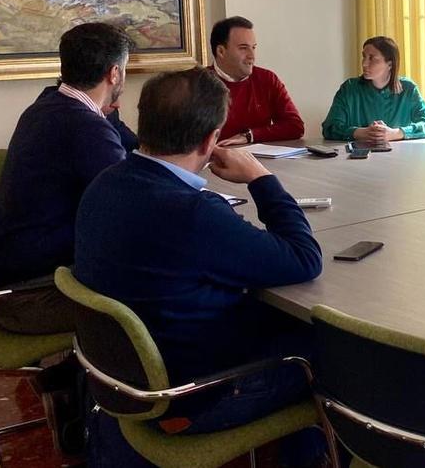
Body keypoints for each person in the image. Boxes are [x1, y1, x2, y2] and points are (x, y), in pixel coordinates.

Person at [75, 67, 324, 467]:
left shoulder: (106, 182)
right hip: (192, 396)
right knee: (328, 345)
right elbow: (304, 259)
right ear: (211, 140)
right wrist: (262, 177)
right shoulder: (191, 212)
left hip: (125, 379)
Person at [0, 22, 135, 335]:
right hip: (32, 294)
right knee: (159, 280)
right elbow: (133, 200)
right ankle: (98, 374)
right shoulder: (84, 127)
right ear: (115, 73)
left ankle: (81, 371)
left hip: (12, 269)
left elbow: (132, 151)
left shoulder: (49, 104)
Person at [208, 16, 305, 146]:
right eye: (243, 48)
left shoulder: (267, 79)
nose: (252, 56)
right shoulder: (195, 83)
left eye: (253, 47)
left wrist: (250, 136)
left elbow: (295, 127)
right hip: (210, 162)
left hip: (260, 162)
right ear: (221, 51)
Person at [321, 36, 425, 142]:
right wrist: (360, 132)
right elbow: (329, 128)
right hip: (357, 159)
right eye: (364, 57)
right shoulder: (349, 88)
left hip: (399, 157)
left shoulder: (408, 89)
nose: (364, 63)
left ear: (390, 64)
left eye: (372, 58)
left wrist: (395, 133)